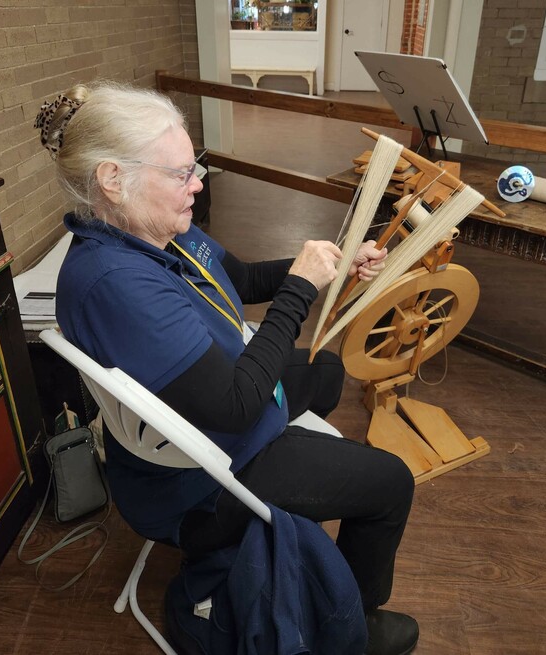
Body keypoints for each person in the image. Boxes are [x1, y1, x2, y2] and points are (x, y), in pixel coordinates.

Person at [35, 81, 418, 655]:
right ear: (114, 179)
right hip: (200, 480)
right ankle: (352, 623)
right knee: (392, 482)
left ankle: (296, 516)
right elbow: (237, 409)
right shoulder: (117, 283)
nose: (198, 183)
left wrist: (326, 267)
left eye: (197, 167)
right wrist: (299, 291)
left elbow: (238, 279)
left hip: (211, 414)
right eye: (182, 173)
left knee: (327, 372)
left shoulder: (155, 233)